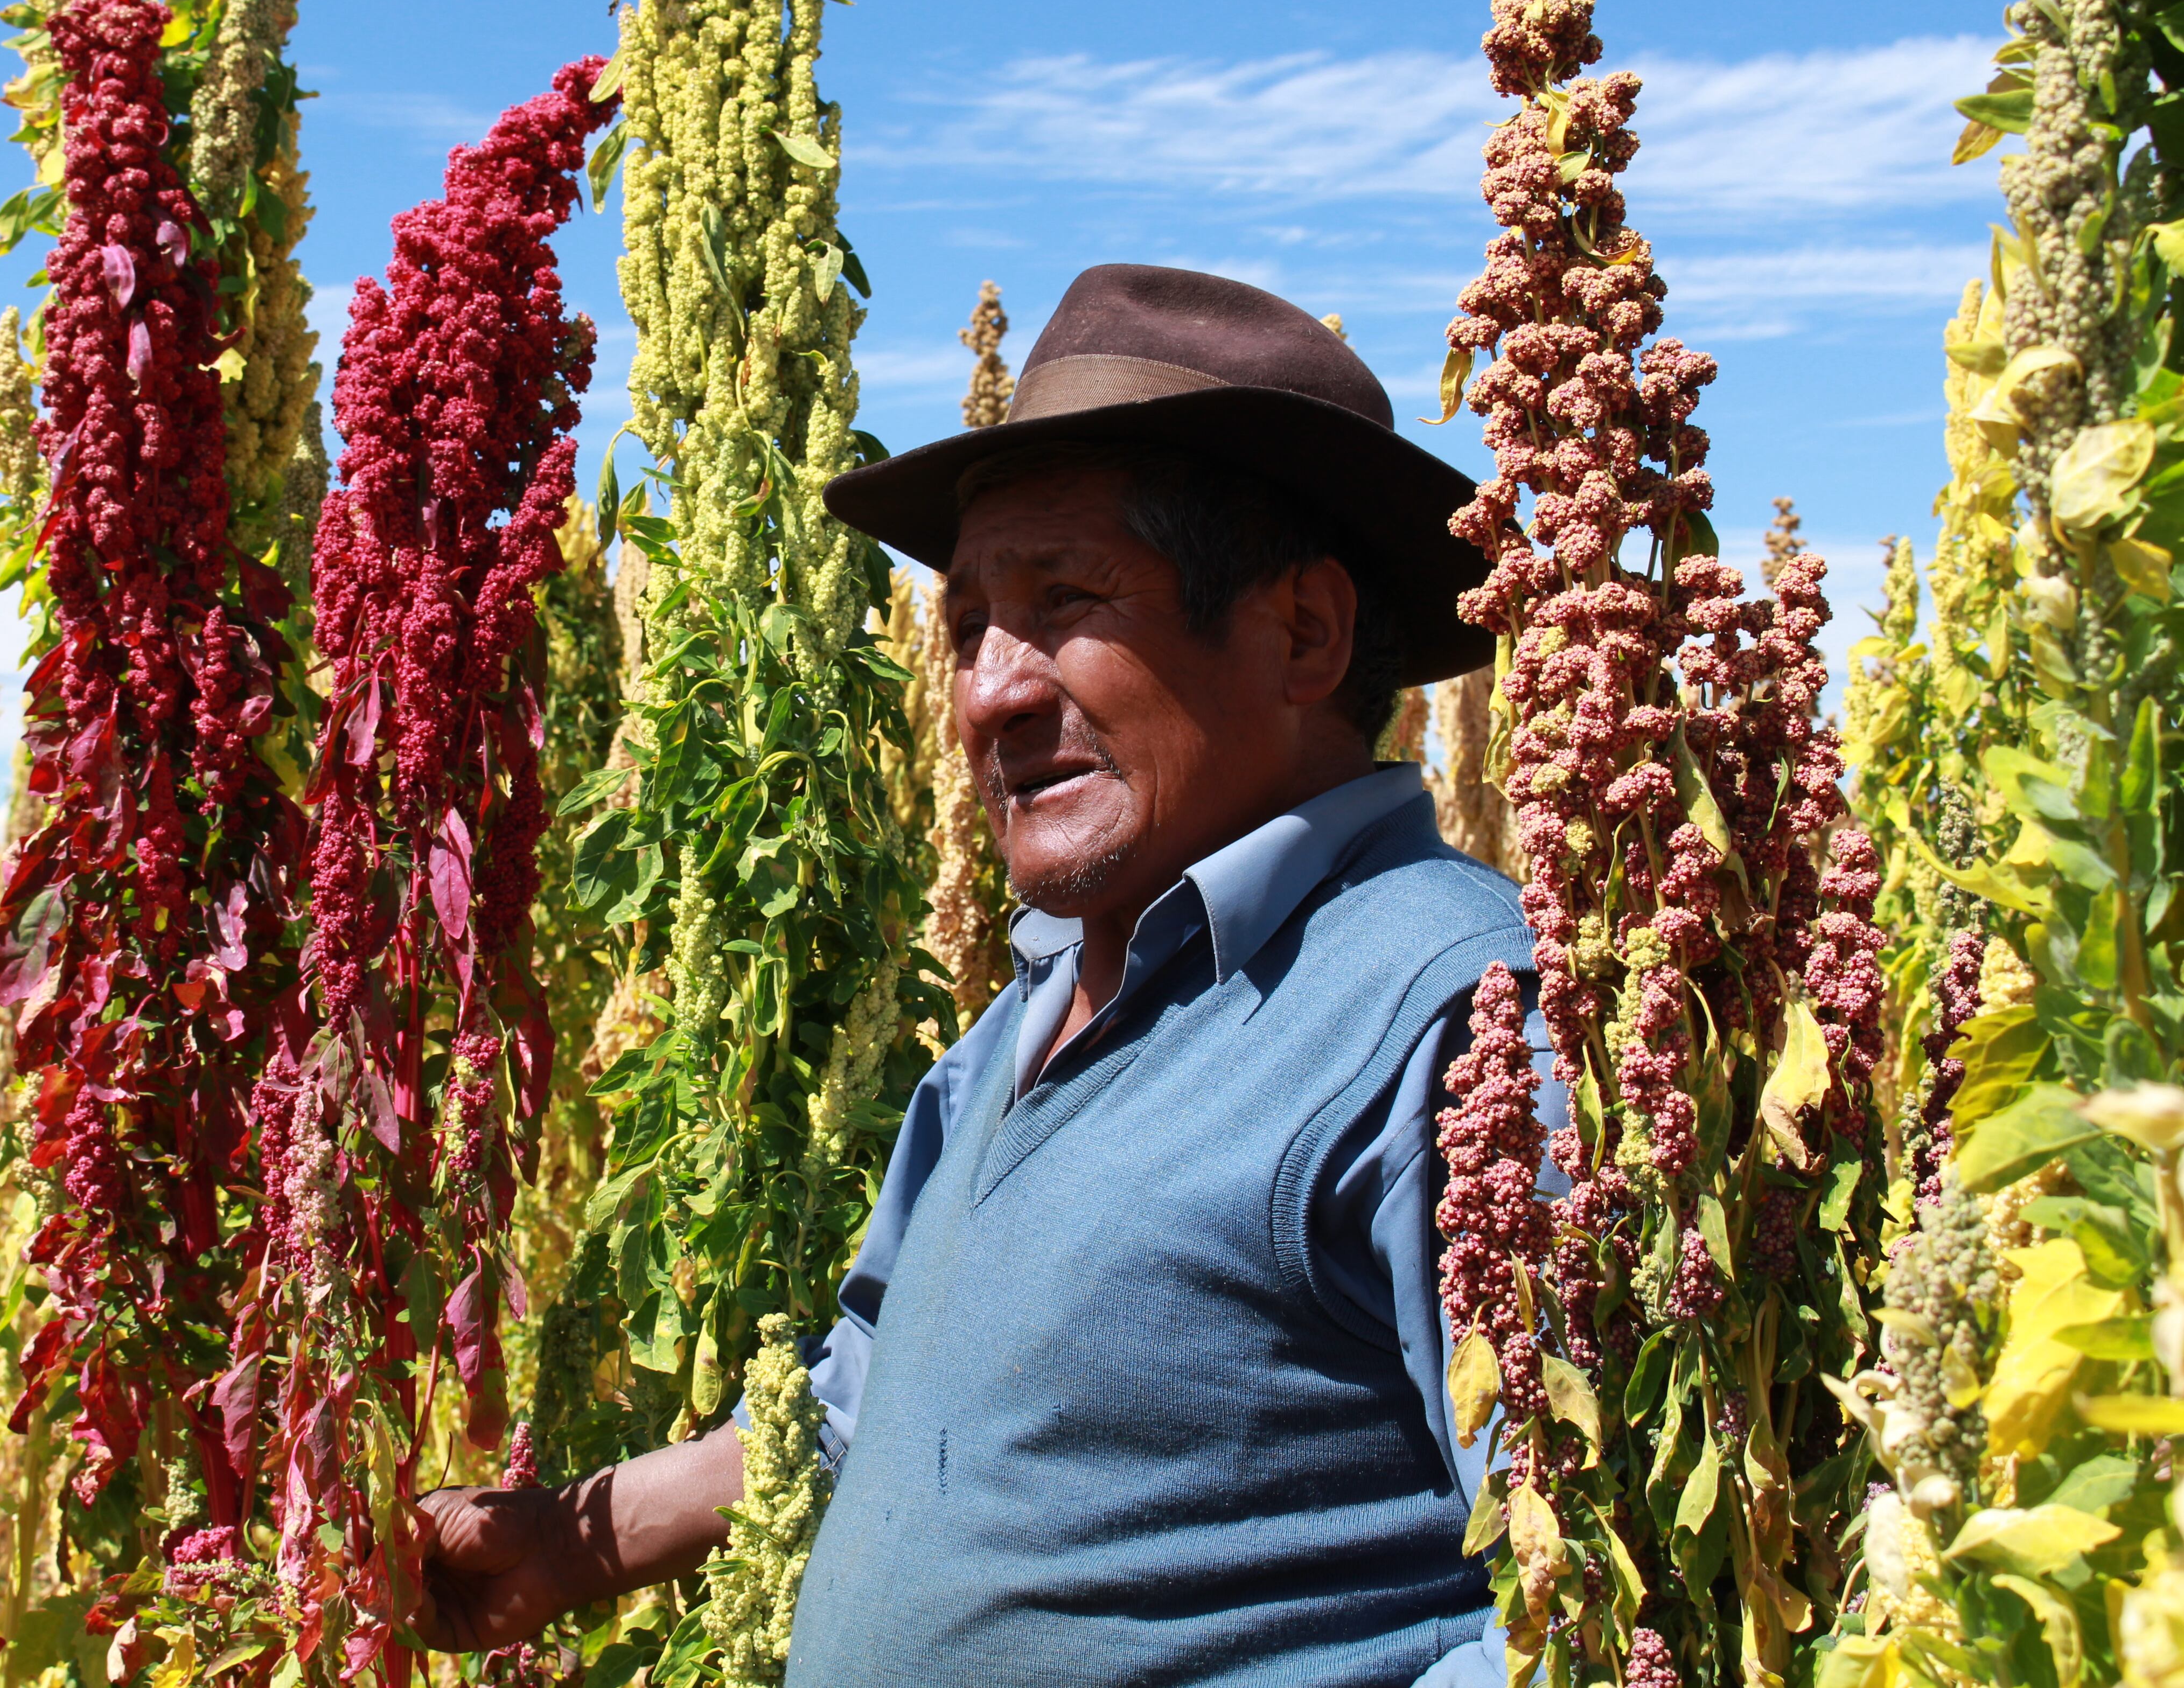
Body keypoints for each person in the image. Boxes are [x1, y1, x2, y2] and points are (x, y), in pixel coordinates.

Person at [410, 265, 1560, 1686]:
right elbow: (885, 1396)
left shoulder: (1461, 1014)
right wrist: (578, 1543)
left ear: (1305, 635)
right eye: (968, 629)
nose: (987, 692)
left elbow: (1578, 1600)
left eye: (1065, 601)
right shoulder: (1020, 1029)